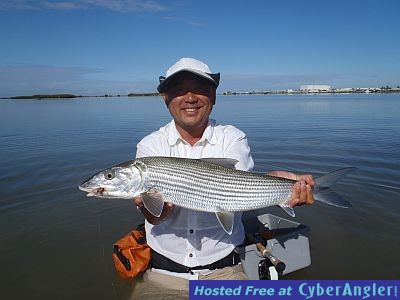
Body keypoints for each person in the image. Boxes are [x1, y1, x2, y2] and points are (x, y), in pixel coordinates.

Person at [133, 57, 314, 292]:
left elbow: (238, 187)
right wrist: (155, 212)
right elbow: (154, 218)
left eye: (200, 90)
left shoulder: (232, 137)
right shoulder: (149, 146)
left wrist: (279, 183)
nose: (190, 98)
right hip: (163, 273)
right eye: (179, 91)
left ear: (214, 96)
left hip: (225, 271)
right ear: (165, 98)